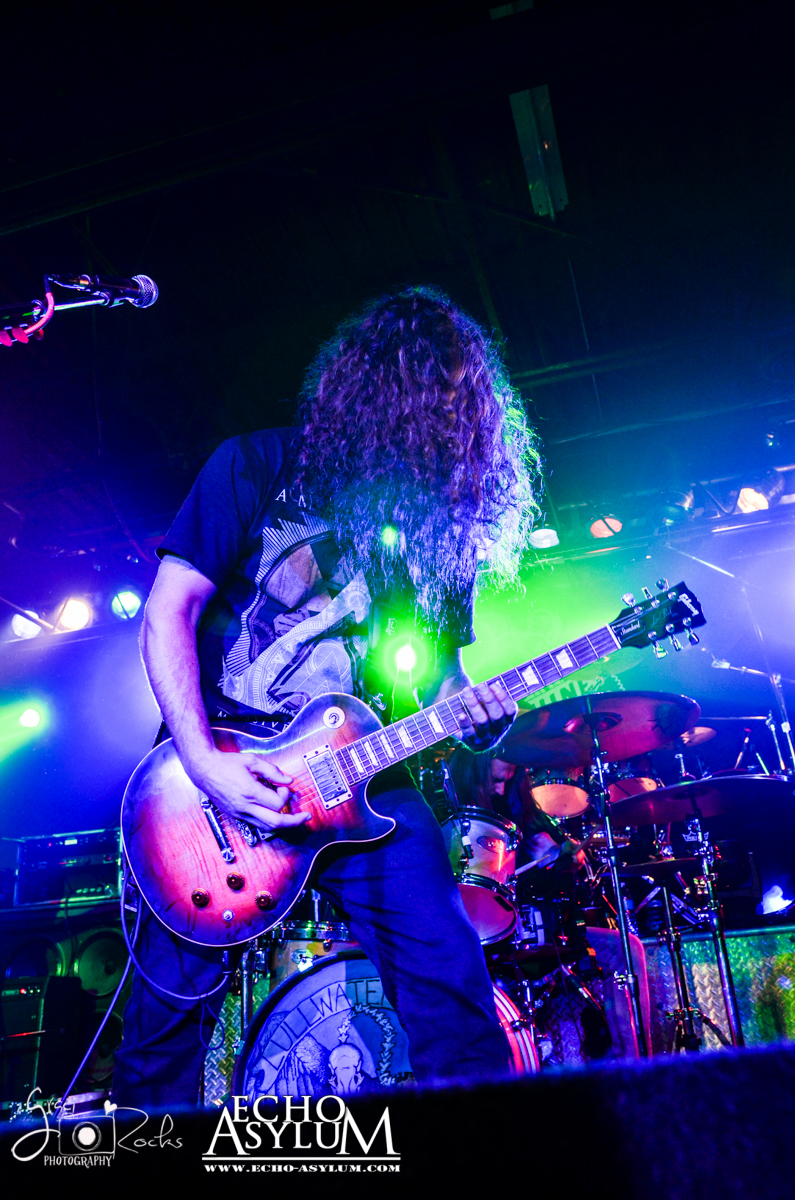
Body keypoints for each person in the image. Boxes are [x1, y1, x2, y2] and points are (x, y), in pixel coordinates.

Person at [113, 286, 540, 1105]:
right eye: (428, 408)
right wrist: (204, 762)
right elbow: (168, 613)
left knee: (454, 996)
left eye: (458, 417)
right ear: (373, 397)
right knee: (161, 1040)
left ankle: (488, 1150)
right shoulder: (254, 465)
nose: (444, 432)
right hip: (222, 782)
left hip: (364, 780)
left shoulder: (433, 538)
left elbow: (441, 680)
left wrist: (477, 714)